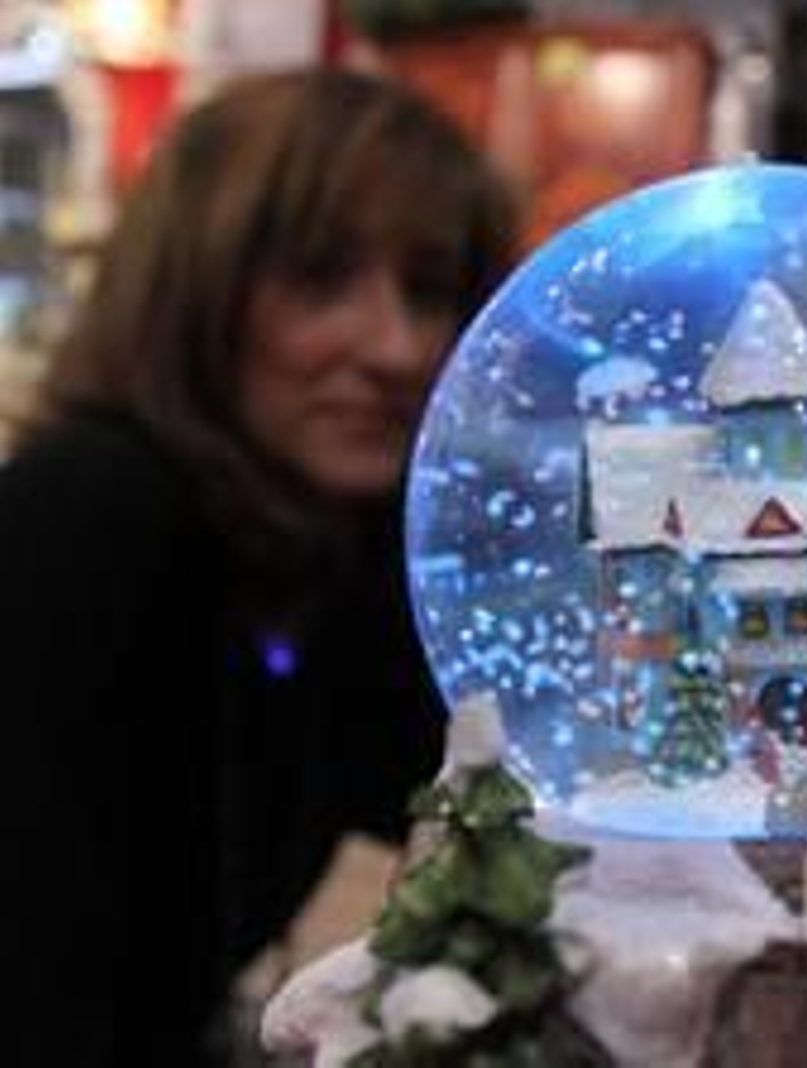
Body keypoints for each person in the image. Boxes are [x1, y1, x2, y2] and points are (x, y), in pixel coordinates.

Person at [0, 69, 517, 1065]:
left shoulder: (321, 548)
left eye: (433, 288)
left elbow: (449, 777)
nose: (398, 346)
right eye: (320, 277)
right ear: (193, 289)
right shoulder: (83, 516)